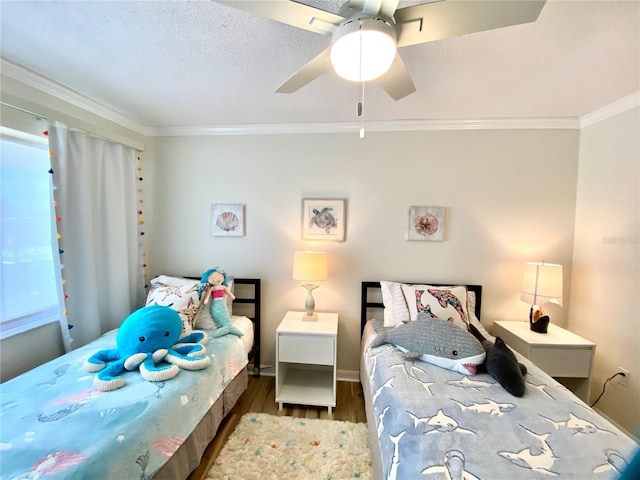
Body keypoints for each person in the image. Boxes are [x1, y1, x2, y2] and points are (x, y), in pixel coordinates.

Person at [201, 268, 243, 337]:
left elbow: (229, 293)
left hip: (221, 302)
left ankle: (227, 325)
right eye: (213, 278)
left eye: (220, 276)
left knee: (224, 311)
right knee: (217, 312)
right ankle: (222, 325)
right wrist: (206, 299)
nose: (217, 279)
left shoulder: (223, 287)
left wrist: (232, 296)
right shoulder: (212, 288)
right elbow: (208, 295)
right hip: (215, 302)